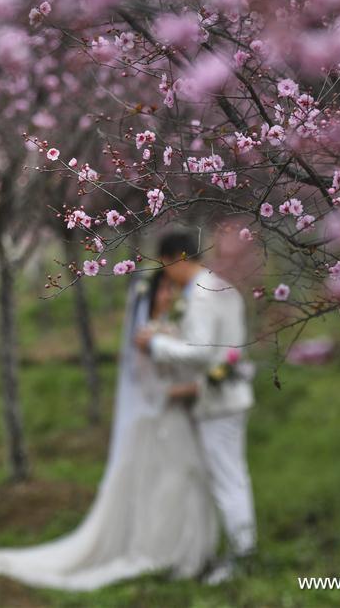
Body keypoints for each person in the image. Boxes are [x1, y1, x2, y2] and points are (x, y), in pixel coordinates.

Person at [0, 269, 218, 590]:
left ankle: (187, 552)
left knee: (181, 481)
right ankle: (161, 550)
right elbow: (150, 388)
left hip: (177, 420)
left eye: (171, 288)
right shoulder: (146, 335)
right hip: (158, 421)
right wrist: (197, 388)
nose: (169, 295)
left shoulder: (173, 328)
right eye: (163, 289)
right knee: (164, 485)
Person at [135, 229, 257, 584]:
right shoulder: (220, 286)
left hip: (218, 402)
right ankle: (239, 548)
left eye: (165, 265)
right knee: (233, 477)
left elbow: (203, 352)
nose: (166, 275)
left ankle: (241, 555)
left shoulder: (201, 293)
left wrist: (157, 344)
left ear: (177, 258)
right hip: (229, 394)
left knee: (227, 479)